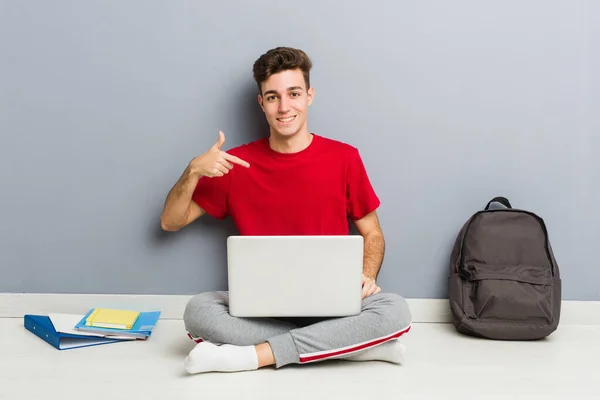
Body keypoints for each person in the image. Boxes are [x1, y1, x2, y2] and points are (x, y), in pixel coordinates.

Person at [160, 47, 412, 374]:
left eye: (293, 94)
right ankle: (348, 348)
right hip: (261, 309)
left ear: (309, 96)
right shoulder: (234, 165)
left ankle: (253, 357)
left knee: (395, 309)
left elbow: (373, 234)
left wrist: (366, 275)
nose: (284, 107)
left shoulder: (345, 158)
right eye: (273, 96)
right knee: (199, 311)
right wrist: (193, 170)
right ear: (261, 103)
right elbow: (170, 221)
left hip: (334, 306)